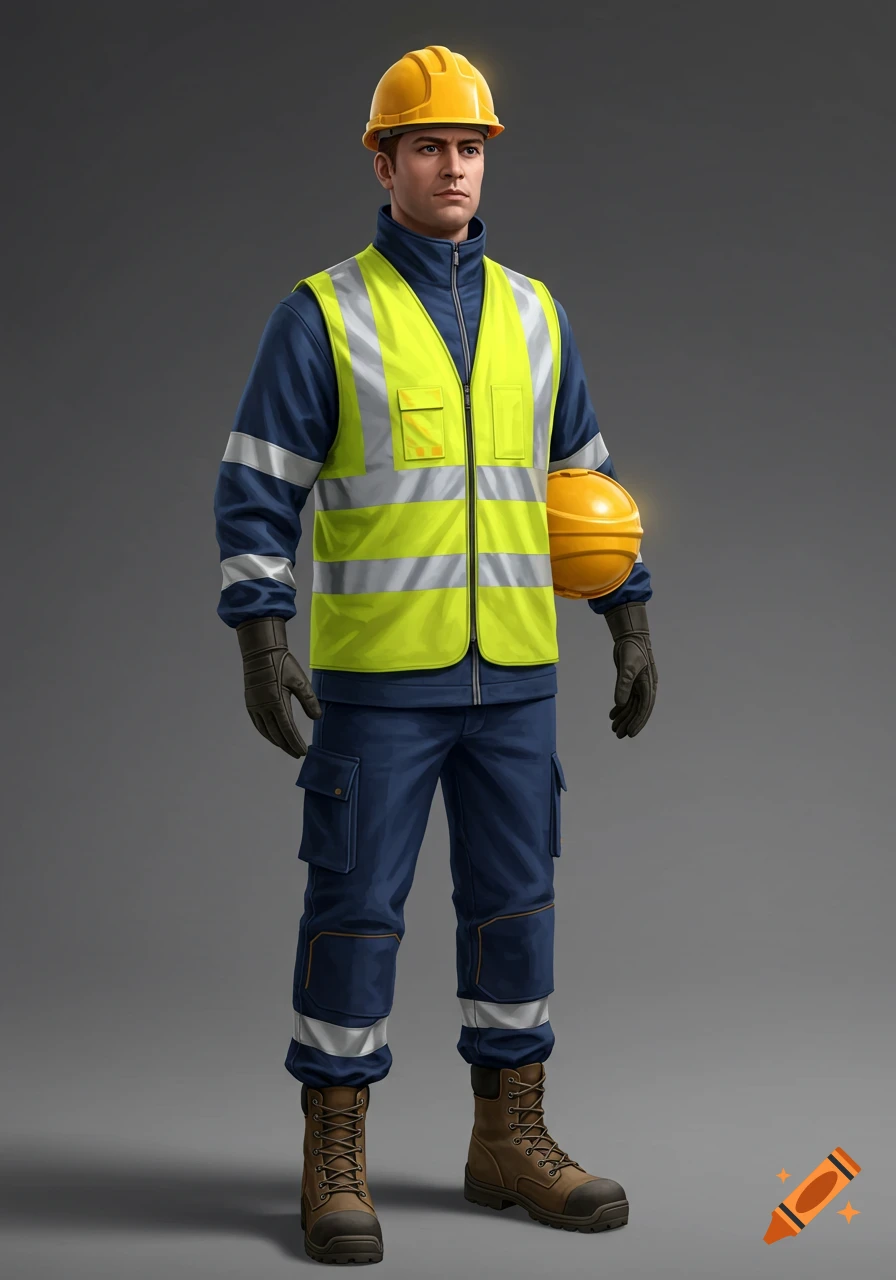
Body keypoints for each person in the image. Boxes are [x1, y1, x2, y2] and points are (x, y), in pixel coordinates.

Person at [214, 43, 658, 1266]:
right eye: (429, 145)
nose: (453, 164)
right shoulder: (324, 313)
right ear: (384, 160)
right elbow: (257, 485)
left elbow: (585, 490)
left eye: (470, 146)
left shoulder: (534, 312)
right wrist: (261, 630)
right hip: (380, 687)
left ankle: (507, 1137)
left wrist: (626, 615)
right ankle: (333, 1150)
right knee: (354, 912)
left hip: (513, 679)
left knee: (514, 910)